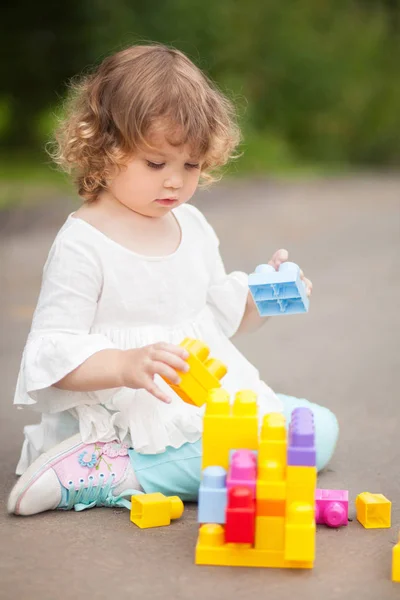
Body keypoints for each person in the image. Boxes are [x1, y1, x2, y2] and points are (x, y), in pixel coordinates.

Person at [8, 44, 338, 516]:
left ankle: (154, 470)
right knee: (263, 455)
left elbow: (219, 319)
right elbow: (51, 356)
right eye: (156, 163)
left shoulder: (193, 225)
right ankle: (106, 472)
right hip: (124, 421)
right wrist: (124, 364)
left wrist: (265, 296)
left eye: (191, 166)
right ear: (105, 148)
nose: (175, 183)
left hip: (197, 409)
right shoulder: (84, 242)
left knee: (318, 430)